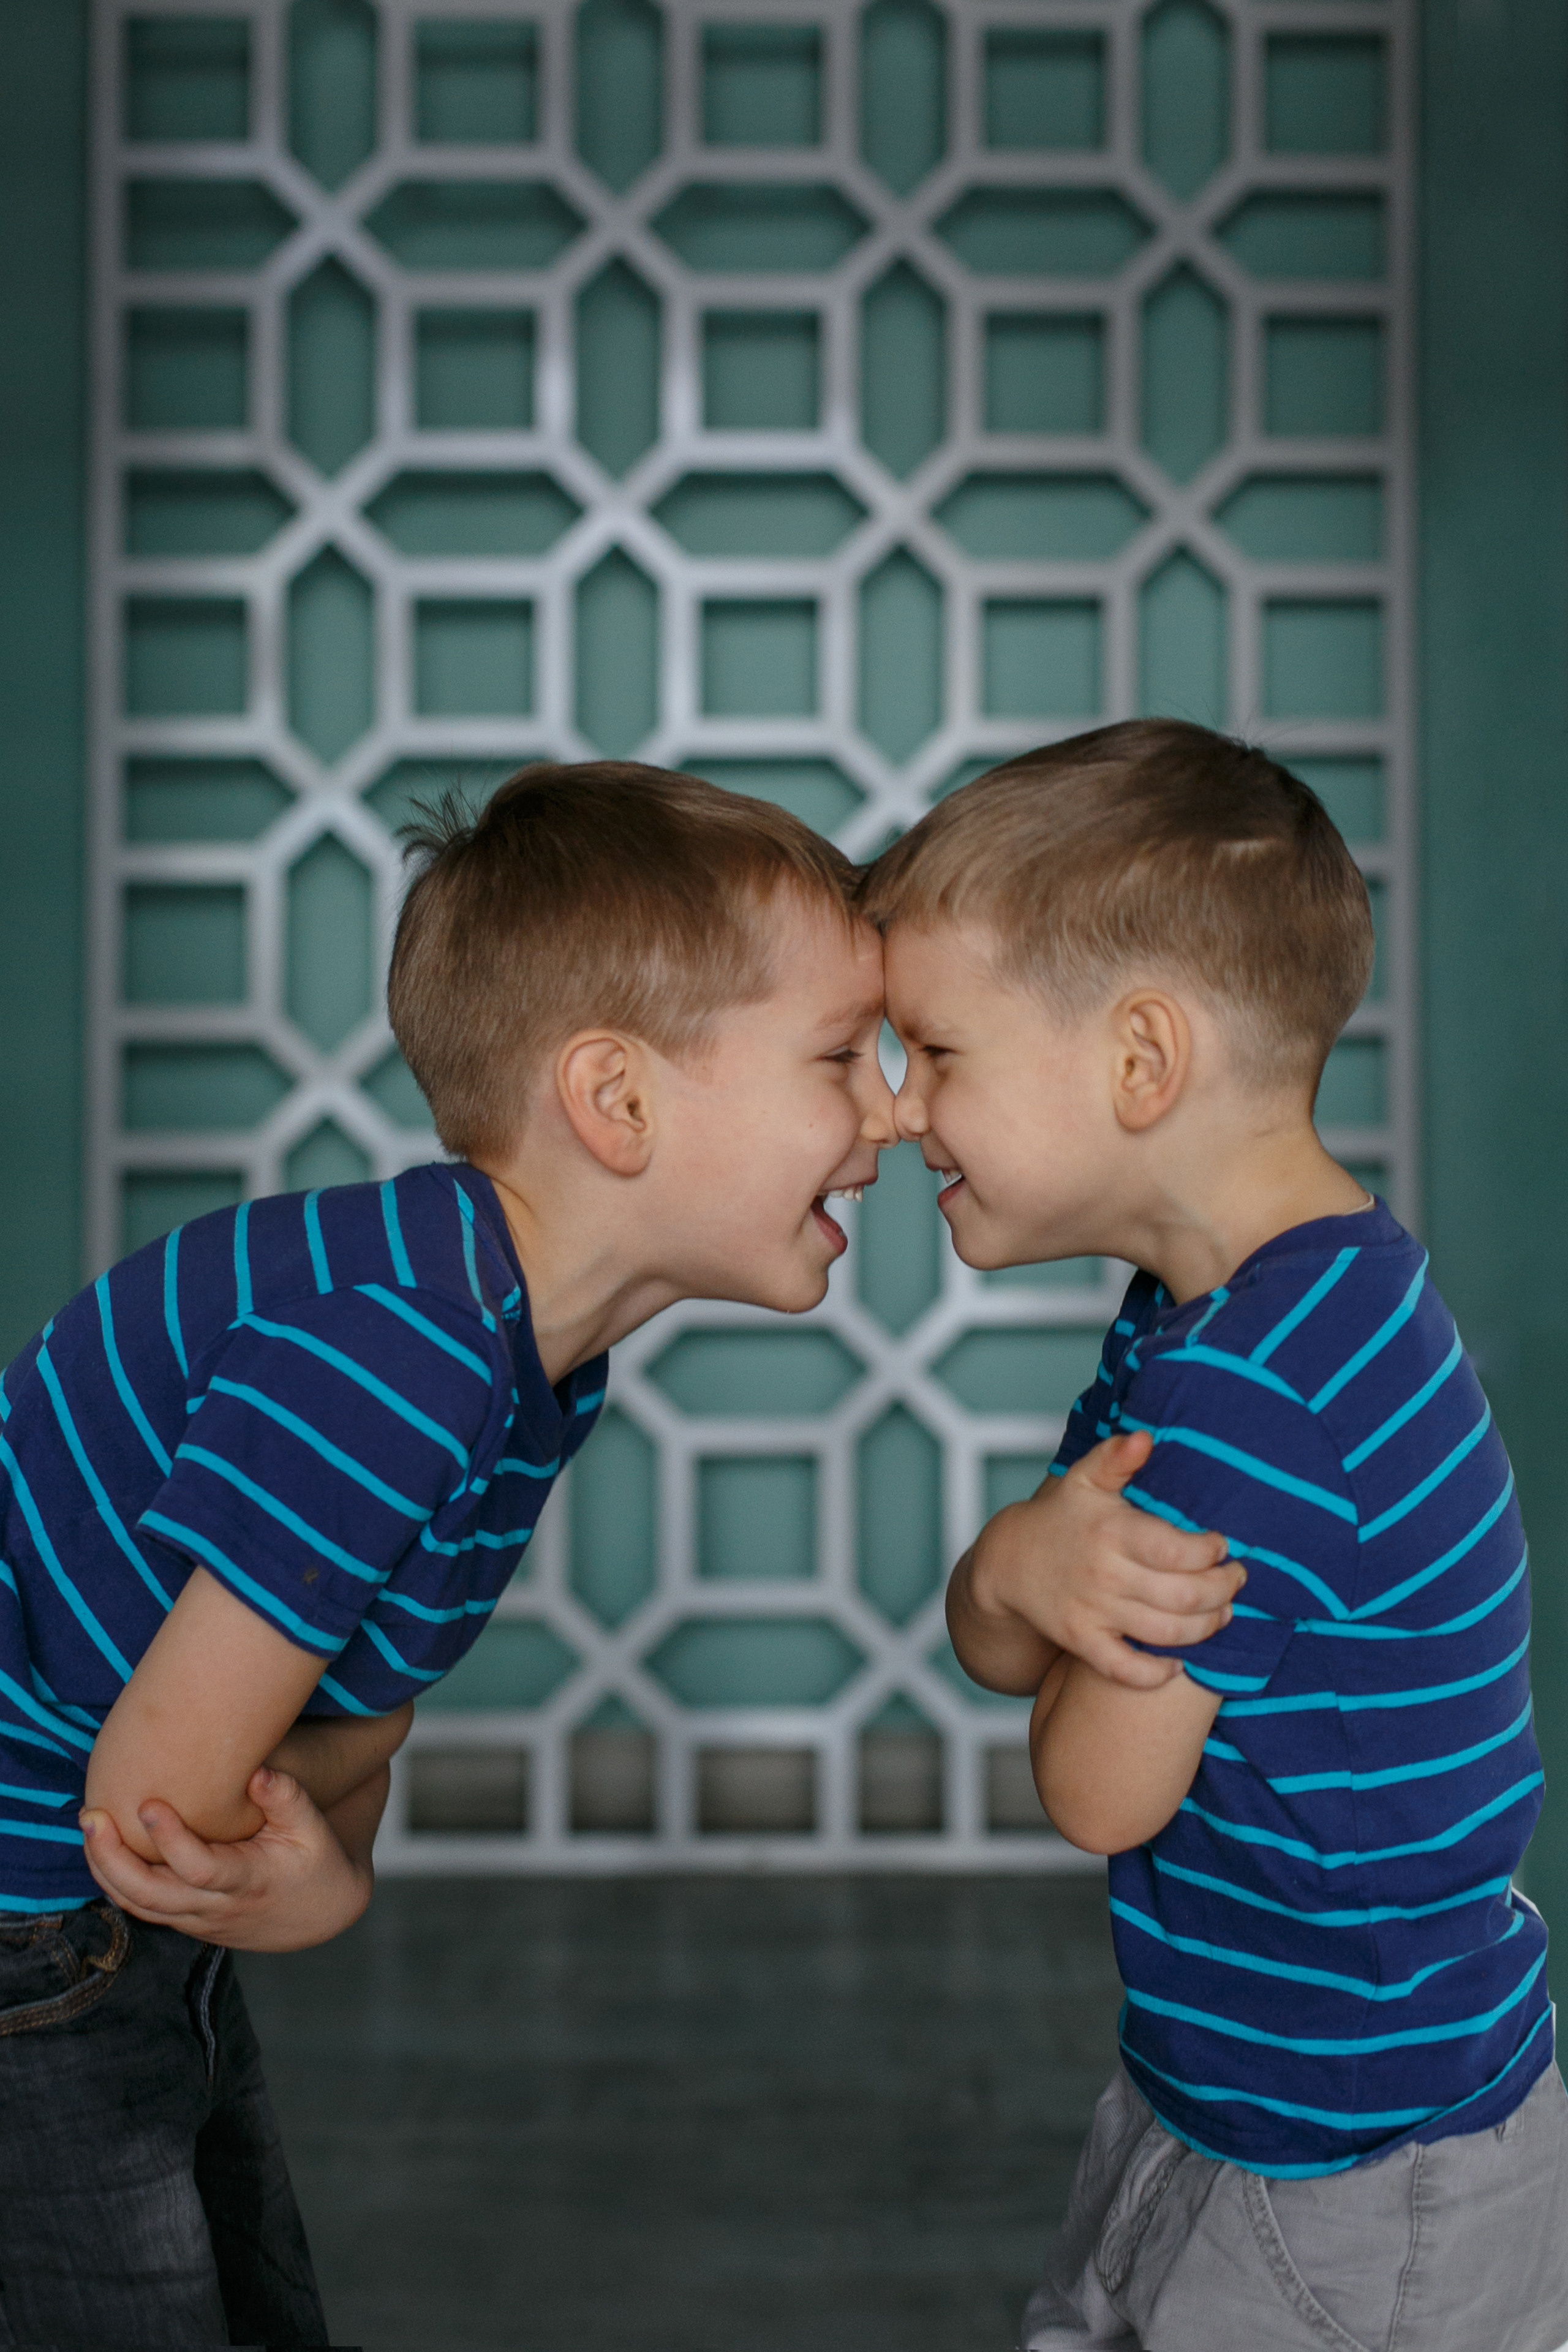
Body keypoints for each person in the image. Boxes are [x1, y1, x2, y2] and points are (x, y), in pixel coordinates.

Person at [0, 758, 1237, 2344]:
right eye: (837, 1059)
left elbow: (363, 1706)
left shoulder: (520, 1350)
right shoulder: (403, 1352)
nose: (895, 1108)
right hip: (49, 1925)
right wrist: (321, 1885)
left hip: (103, 1925)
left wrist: (330, 1850)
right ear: (619, 1102)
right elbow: (161, 1808)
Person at [864, 718, 1568, 2352]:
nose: (902, 1116)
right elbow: (1014, 1626)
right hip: (1230, 2083)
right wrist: (1016, 1570)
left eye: (939, 1051)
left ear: (1140, 1062)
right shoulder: (1234, 1317)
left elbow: (1091, 1784)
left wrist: (1027, 1575)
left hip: (1357, 2178)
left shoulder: (1258, 1401)